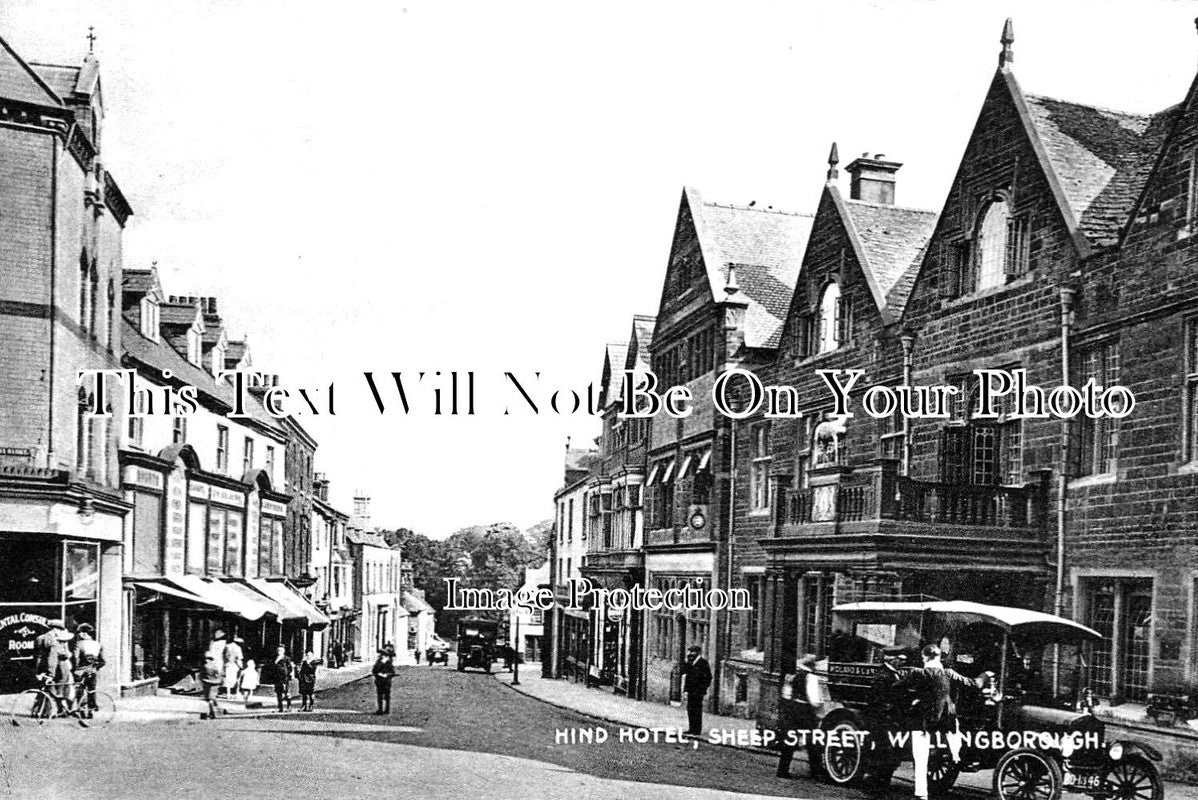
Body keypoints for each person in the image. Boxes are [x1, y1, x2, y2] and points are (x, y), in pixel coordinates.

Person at [895, 644, 987, 800]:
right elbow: (973, 684)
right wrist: (985, 675)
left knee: (920, 756)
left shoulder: (917, 673)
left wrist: (913, 700)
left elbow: (897, 688)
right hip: (946, 719)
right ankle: (956, 754)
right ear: (939, 658)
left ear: (924, 657)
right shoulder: (948, 673)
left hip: (923, 720)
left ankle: (921, 794)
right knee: (954, 730)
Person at [776, 654, 824, 779]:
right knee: (812, 740)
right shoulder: (812, 678)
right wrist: (819, 709)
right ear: (812, 666)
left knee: (790, 740)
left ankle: (782, 770)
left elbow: (786, 694)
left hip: (792, 710)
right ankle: (815, 771)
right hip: (805, 712)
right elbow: (814, 699)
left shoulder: (793, 677)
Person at [71, 623, 105, 716]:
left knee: (80, 690)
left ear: (84, 634)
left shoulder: (79, 644)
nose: (78, 634)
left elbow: (76, 658)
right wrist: (94, 668)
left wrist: (75, 670)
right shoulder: (97, 644)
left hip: (81, 670)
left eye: (80, 632)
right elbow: (102, 661)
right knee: (91, 690)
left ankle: (81, 710)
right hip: (92, 670)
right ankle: (90, 711)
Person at [680, 645, 712, 738]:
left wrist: (702, 689)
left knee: (697, 710)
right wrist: (685, 663)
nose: (690, 654)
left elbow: (708, 677)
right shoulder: (690, 663)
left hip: (698, 692)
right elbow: (684, 673)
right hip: (691, 691)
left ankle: (697, 730)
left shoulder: (703, 663)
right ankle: (691, 728)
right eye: (689, 652)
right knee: (690, 710)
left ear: (697, 652)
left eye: (692, 652)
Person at [200, 630, 228, 720]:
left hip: (208, 680)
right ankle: (216, 709)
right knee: (212, 697)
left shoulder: (212, 645)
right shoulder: (224, 645)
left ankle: (213, 711)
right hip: (216, 677)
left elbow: (201, 675)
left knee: (209, 697)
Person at [372, 647, 396, 714]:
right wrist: (379, 674)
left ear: (384, 655)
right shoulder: (378, 662)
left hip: (386, 682)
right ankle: (380, 710)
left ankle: (386, 710)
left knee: (386, 696)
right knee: (380, 696)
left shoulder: (388, 663)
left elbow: (393, 672)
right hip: (380, 681)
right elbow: (374, 671)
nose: (380, 656)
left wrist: (387, 675)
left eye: (381, 655)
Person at [271, 645, 295, 712]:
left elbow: (290, 668)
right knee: (278, 693)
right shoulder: (275, 658)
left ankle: (289, 706)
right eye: (278, 650)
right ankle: (280, 707)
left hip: (284, 678)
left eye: (281, 650)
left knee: (286, 692)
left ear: (284, 651)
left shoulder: (286, 658)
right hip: (277, 678)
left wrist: (287, 675)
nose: (279, 652)